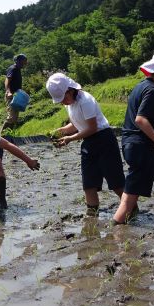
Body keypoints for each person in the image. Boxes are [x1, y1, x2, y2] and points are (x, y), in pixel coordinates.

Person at [112, 48, 154, 225]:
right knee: (128, 202)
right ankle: (115, 236)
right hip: (140, 148)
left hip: (133, 147)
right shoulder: (153, 90)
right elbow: (141, 120)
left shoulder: (139, 87)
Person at [46, 73, 125, 216]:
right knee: (89, 183)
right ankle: (92, 216)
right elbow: (76, 124)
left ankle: (130, 208)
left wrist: (70, 139)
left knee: (115, 181)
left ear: (70, 90)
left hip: (104, 139)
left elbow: (92, 127)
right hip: (88, 142)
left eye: (64, 98)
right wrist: (61, 131)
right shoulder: (70, 104)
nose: (63, 102)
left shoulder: (85, 101)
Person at [1, 54, 28, 132]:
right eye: (23, 61)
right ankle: (2, 136)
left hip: (16, 96)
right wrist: (8, 92)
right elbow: (7, 80)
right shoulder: (13, 68)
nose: (24, 63)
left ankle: (8, 135)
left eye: (25, 62)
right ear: (18, 61)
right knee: (11, 117)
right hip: (10, 95)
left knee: (15, 118)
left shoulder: (18, 69)